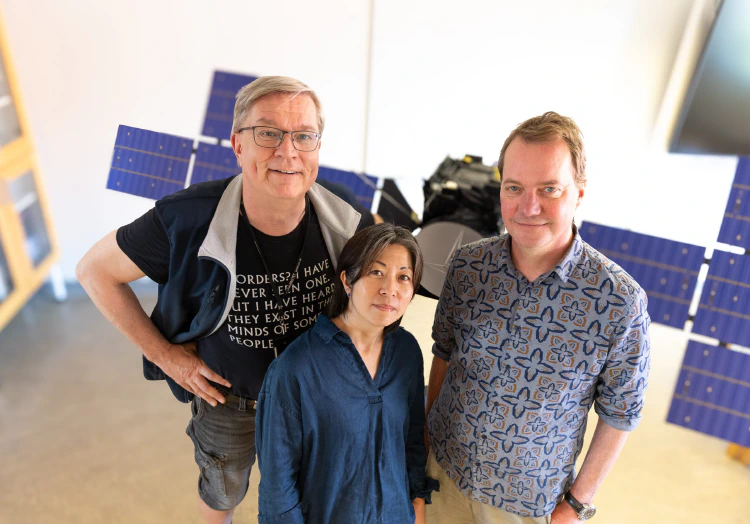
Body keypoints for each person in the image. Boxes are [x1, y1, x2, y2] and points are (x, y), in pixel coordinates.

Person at [76, 76, 361, 524]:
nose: (288, 151)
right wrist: (168, 357)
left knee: (307, 496)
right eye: (268, 133)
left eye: (304, 136)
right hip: (228, 403)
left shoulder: (345, 216)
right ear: (237, 144)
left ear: (318, 146)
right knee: (221, 495)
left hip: (314, 399)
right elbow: (94, 272)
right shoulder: (187, 218)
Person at [425, 112, 651, 523]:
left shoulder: (620, 302)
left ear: (579, 192)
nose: (529, 207)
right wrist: (421, 450)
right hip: (442, 476)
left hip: (527, 504)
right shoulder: (468, 266)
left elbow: (622, 412)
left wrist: (577, 506)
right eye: (514, 188)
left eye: (549, 189)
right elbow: (444, 353)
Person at [255, 223, 438, 523]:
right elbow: (277, 484)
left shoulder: (407, 352)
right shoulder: (297, 367)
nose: (389, 289)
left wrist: (417, 504)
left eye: (403, 277)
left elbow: (412, 440)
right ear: (347, 280)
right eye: (376, 272)